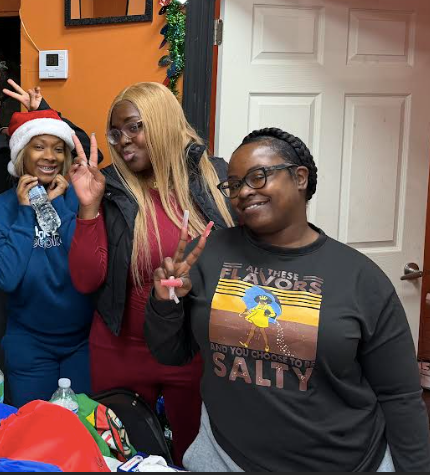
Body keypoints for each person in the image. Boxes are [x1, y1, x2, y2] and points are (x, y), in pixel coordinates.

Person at [144, 127, 430, 472]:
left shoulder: (360, 278)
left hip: (344, 463)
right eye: (234, 184)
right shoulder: (207, 255)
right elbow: (170, 353)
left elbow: (400, 395)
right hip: (225, 457)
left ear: (299, 177)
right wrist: (166, 302)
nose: (243, 192)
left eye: (258, 176)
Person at [67, 82, 233, 464]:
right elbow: (86, 280)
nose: (123, 140)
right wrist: (88, 209)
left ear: (161, 122)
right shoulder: (109, 188)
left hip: (193, 352)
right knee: (124, 458)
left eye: (135, 127)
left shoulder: (214, 178)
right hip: (120, 350)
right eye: (116, 131)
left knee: (194, 456)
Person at [0, 50, 99, 380]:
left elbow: (70, 143)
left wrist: (43, 112)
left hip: (13, 291)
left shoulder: (11, 152)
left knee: (5, 373)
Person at [0, 110, 95, 406]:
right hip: (29, 344)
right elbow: (6, 278)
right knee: (33, 433)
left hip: (82, 343)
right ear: (22, 153)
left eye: (58, 149)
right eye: (39, 146)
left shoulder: (79, 200)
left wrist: (68, 209)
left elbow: (87, 267)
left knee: (82, 433)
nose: (50, 156)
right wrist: (24, 212)